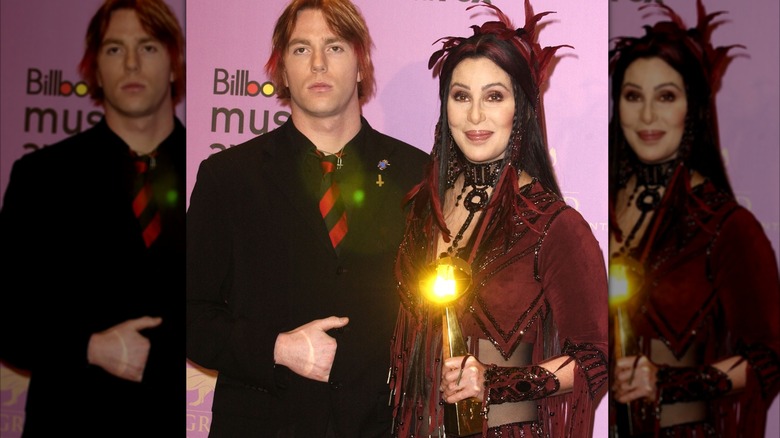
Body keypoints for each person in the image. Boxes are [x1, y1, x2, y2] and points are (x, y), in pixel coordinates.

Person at [185, 0, 428, 436]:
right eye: (300, 49)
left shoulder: (416, 175)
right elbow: (191, 315)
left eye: (334, 47)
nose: (317, 63)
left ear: (360, 64)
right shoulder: (229, 178)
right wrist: (278, 348)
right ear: (281, 70)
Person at [388, 2, 608, 437]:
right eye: (460, 95)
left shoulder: (555, 224)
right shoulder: (422, 212)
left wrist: (496, 381)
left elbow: (596, 359)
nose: (474, 116)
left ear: (520, 108)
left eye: (493, 96)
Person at [0, 0, 186, 436]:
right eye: (114, 50)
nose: (132, 63)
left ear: (175, 64)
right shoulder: (41, 176)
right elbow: (7, 314)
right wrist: (88, 347)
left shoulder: (213, 176)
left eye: (149, 47)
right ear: (95, 70)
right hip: (69, 417)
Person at [607, 1, 780, 437]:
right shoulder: (593, 209)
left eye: (666, 96)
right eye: (633, 96)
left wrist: (667, 382)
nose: (648, 116)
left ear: (693, 108)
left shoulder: (728, 227)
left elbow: (769, 358)